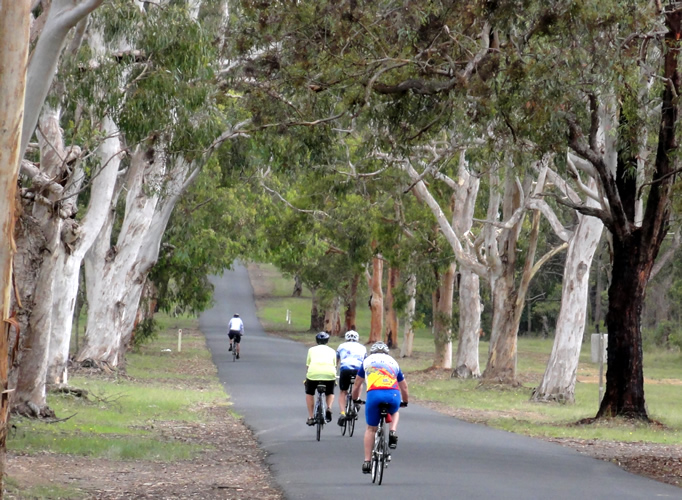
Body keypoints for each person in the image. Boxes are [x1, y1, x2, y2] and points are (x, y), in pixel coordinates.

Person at [351, 341, 409, 474]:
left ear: (372, 352)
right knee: (395, 411)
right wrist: (405, 401)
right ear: (387, 352)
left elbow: (357, 385)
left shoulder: (367, 361)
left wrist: (355, 399)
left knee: (371, 429)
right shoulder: (393, 362)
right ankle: (392, 431)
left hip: (374, 394)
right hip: (392, 394)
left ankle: (367, 461)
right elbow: (404, 387)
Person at [335, 329, 367, 426]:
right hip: (358, 369)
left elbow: (337, 360)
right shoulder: (363, 347)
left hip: (345, 369)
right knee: (358, 383)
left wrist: (335, 370)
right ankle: (357, 399)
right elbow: (365, 361)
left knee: (343, 392)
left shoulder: (341, 346)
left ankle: (342, 413)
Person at [304, 332, 337, 426]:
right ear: (327, 341)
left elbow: (308, 365)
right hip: (329, 374)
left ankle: (311, 417)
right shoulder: (332, 351)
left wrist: (307, 377)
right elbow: (334, 365)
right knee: (330, 392)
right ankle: (329, 407)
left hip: (313, 374)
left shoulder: (311, 350)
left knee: (309, 393)